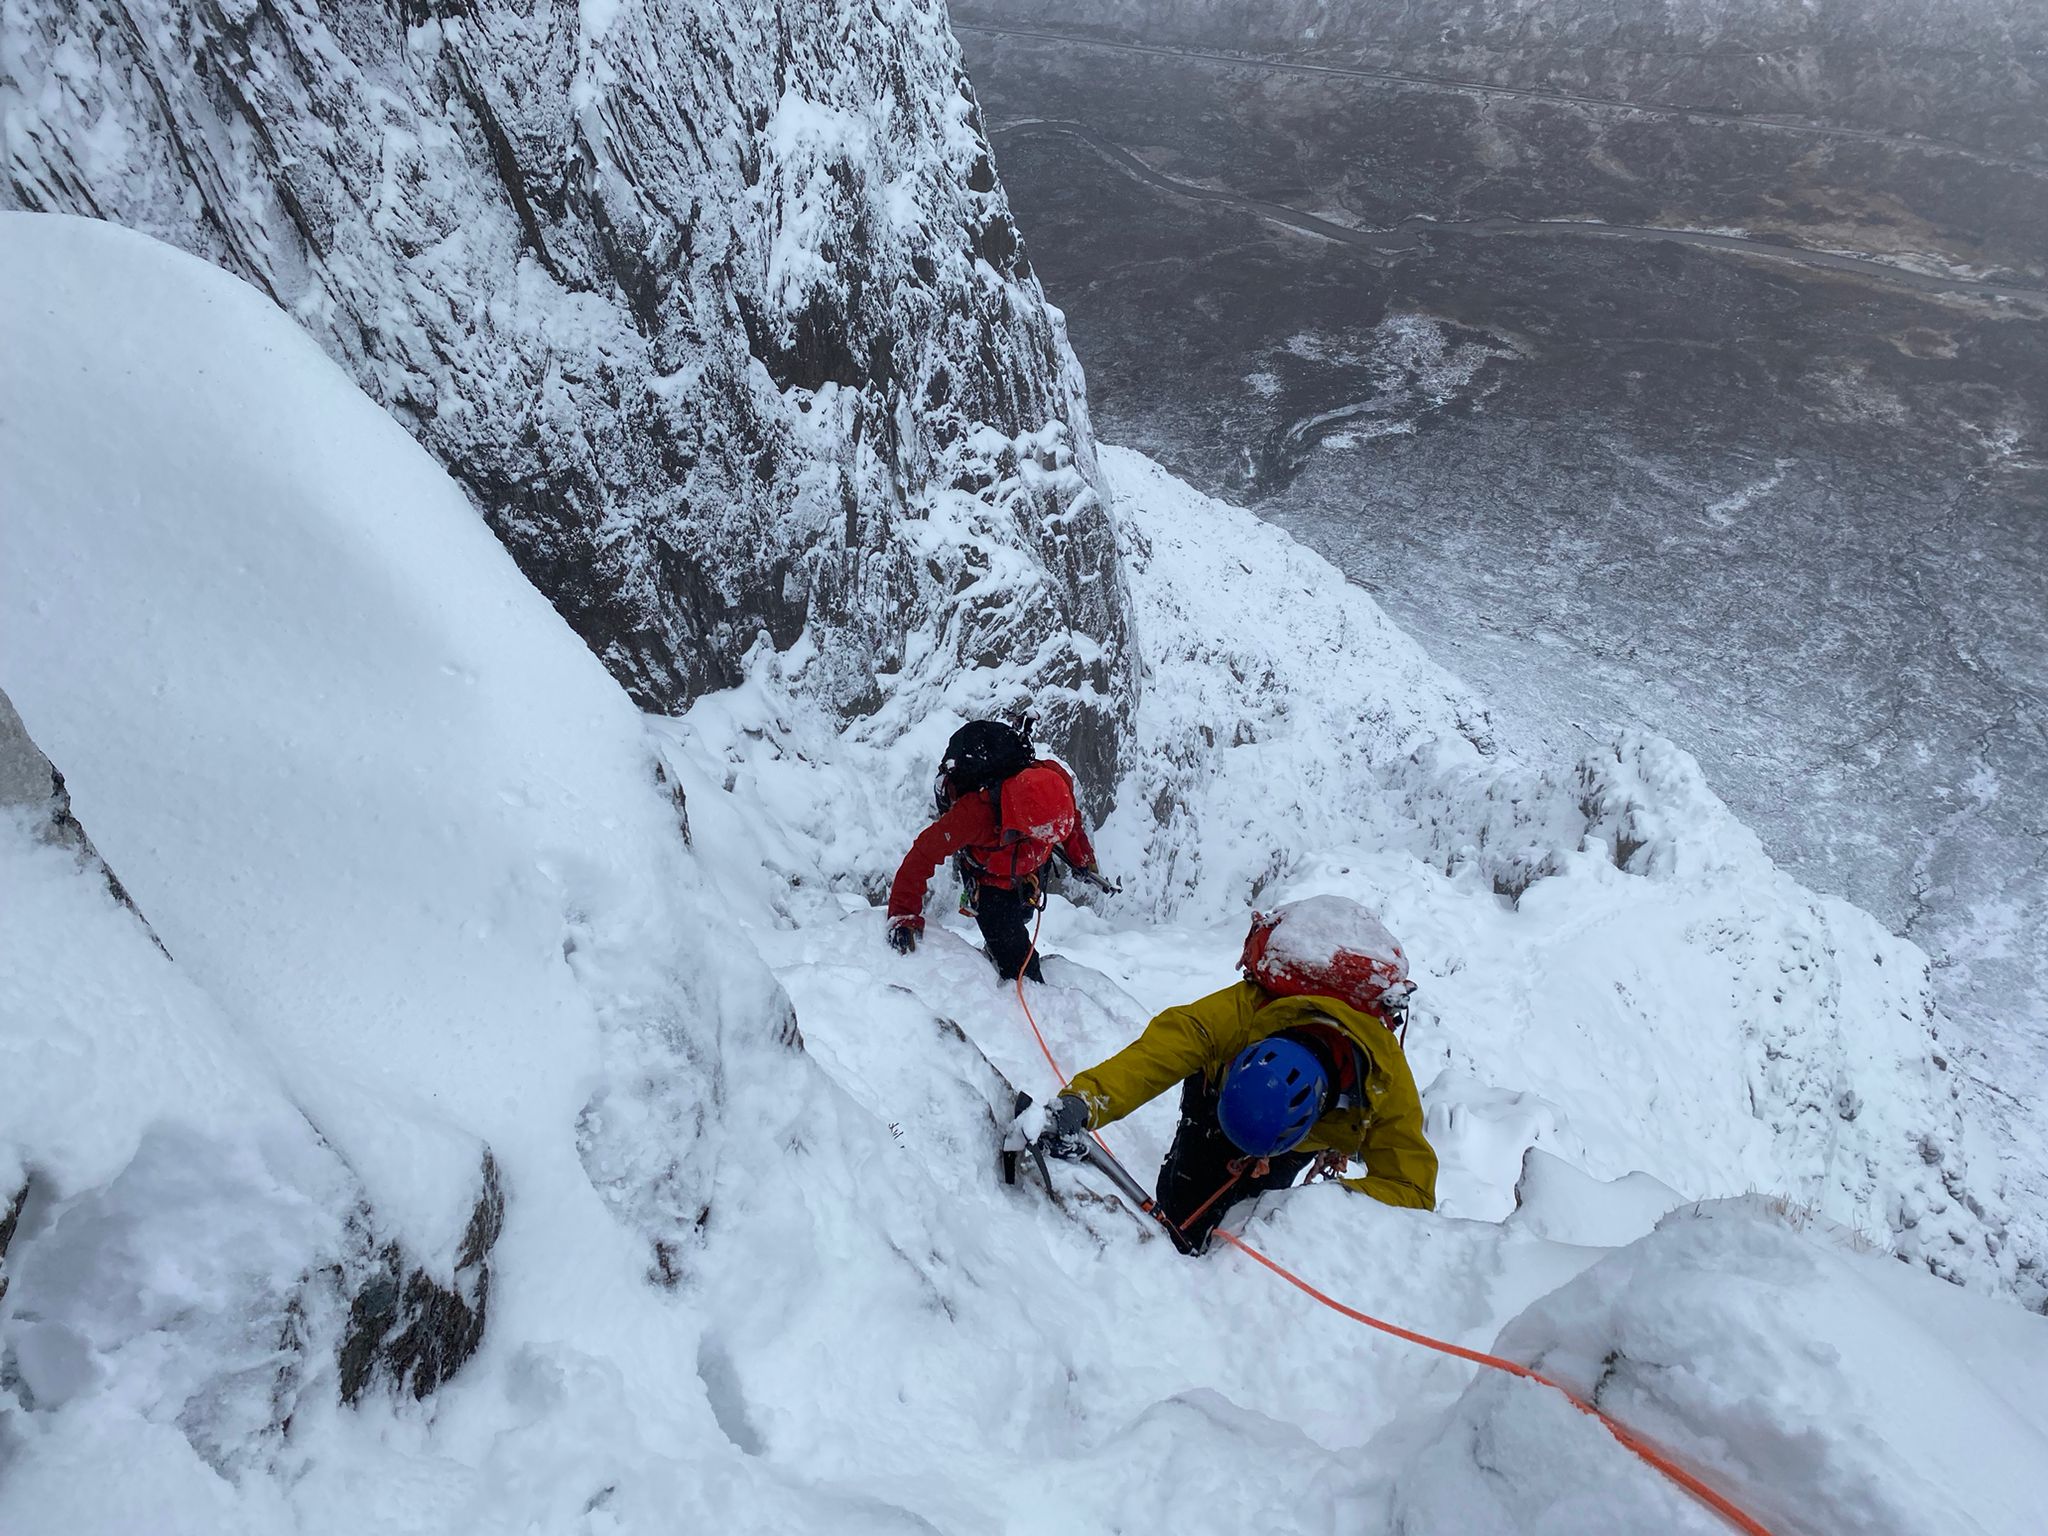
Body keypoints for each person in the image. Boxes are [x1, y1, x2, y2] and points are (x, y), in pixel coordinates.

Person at [1030, 895, 1437, 1250]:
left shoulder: (1381, 1080)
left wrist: (1308, 1208)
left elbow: (1412, 1189)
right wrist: (1084, 1100)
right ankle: (1177, 1239)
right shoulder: (1242, 1013)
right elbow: (1160, 1052)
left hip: (1293, 1144)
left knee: (1256, 1206)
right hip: (1216, 1108)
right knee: (1186, 1190)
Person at [886, 719, 1105, 981]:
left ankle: (1004, 947)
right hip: (989, 884)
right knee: (1021, 970)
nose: (1050, 838)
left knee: (1022, 914)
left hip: (1028, 870)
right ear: (1023, 823)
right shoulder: (975, 815)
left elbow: (1069, 823)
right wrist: (903, 913)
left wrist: (1082, 856)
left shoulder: (1056, 779)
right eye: (1042, 834)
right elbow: (924, 853)